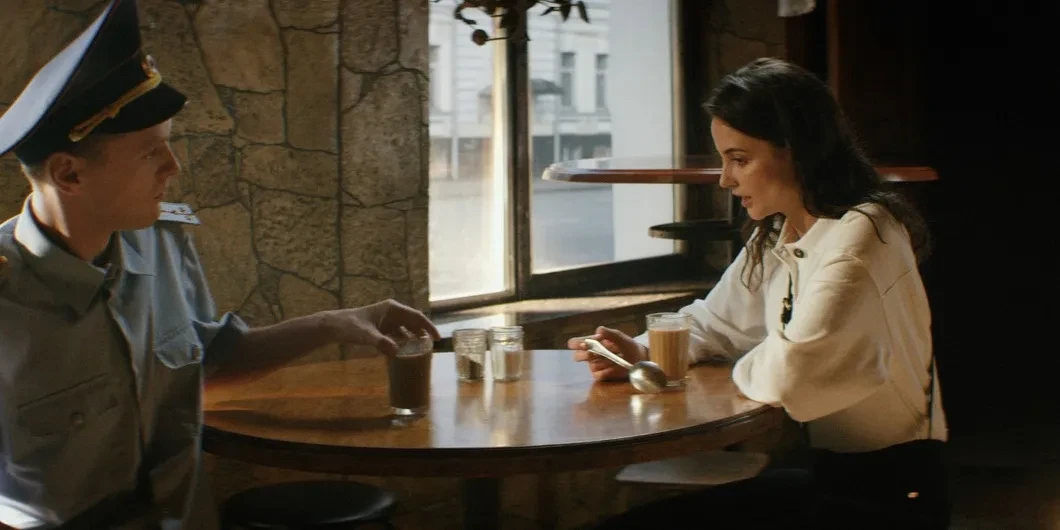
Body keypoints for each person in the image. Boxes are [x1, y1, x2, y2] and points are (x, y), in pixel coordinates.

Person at [0, 1, 439, 528]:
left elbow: (206, 361)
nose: (174, 168)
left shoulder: (162, 245)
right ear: (69, 174)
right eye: (150, 153)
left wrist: (336, 323)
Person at [569, 57, 949, 529]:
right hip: (831, 476)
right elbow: (717, 322)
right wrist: (642, 350)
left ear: (798, 149)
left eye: (740, 159)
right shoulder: (781, 233)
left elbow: (793, 374)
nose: (725, 179)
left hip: (893, 495)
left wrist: (743, 366)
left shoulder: (864, 234)